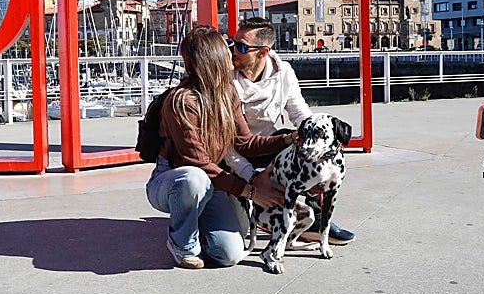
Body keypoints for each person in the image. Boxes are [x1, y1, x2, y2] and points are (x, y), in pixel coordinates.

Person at [146, 25, 293, 269]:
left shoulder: (228, 93)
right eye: (227, 49)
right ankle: (182, 244)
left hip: (212, 180)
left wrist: (289, 139)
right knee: (194, 179)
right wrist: (251, 192)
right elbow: (197, 163)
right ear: (212, 58)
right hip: (173, 179)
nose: (232, 53)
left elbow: (245, 143)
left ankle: (195, 216)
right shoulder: (182, 102)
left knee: (229, 255)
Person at [225, 16, 357, 245]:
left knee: (302, 145)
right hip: (230, 152)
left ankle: (315, 219)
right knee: (236, 234)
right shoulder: (225, 77)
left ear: (263, 52)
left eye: (241, 46)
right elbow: (224, 142)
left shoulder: (283, 72)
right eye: (232, 42)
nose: (233, 50)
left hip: (266, 145)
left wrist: (319, 142)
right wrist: (252, 176)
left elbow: (300, 114)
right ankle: (256, 211)